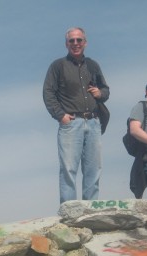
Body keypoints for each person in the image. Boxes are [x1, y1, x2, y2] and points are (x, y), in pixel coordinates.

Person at [43, 27, 110, 204]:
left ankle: (91, 212)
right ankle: (69, 213)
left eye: (79, 40)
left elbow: (105, 90)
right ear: (66, 44)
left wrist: (100, 93)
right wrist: (60, 116)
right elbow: (48, 93)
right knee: (69, 169)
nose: (75, 43)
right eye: (71, 40)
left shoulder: (93, 65)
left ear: (85, 43)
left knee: (93, 170)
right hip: (71, 124)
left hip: (94, 122)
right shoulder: (58, 66)